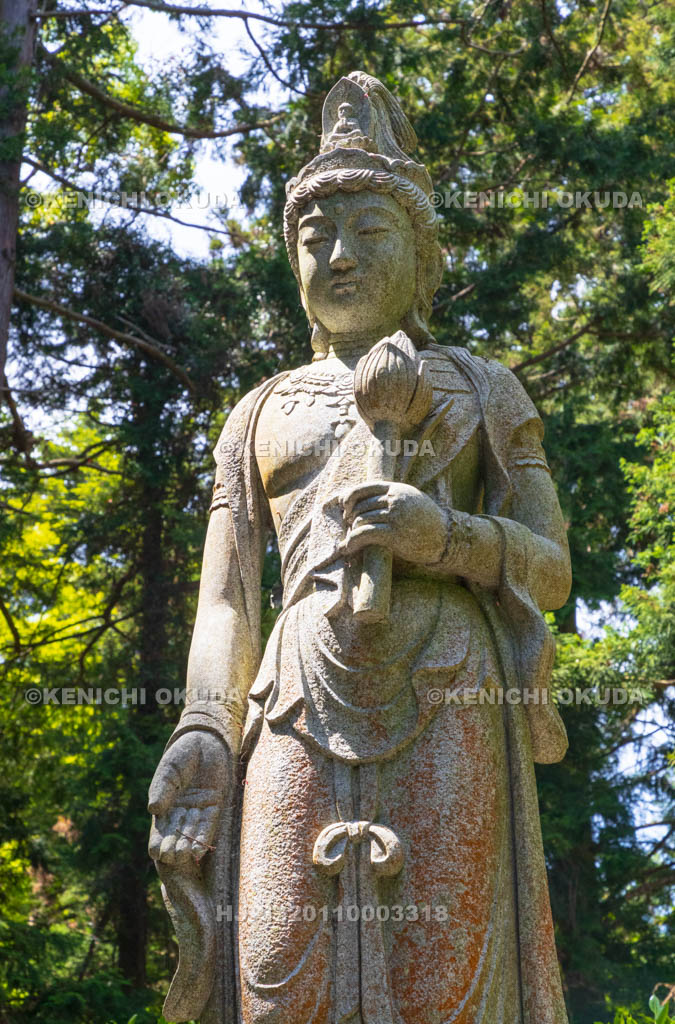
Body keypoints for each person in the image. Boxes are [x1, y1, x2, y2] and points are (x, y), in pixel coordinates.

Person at [148, 71, 572, 1024]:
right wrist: (203, 729)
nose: (338, 257)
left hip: (448, 688)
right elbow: (226, 603)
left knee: (447, 980)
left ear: (422, 258)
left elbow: (549, 566)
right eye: (313, 238)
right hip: (293, 694)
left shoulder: (483, 386)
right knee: (274, 972)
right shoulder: (258, 411)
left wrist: (450, 536)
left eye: (369, 233)